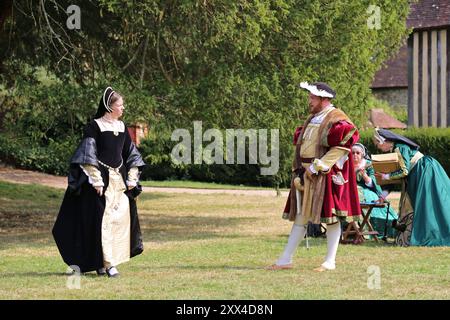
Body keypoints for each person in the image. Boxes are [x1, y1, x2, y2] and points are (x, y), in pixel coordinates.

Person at [267, 82, 362, 272]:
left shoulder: (337, 118)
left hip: (324, 174)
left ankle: (330, 261)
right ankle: (285, 259)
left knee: (331, 217)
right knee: (301, 217)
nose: (309, 101)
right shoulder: (314, 117)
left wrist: (318, 166)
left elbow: (342, 147)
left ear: (323, 99)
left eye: (312, 98)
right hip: (305, 174)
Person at [52, 87, 146, 277]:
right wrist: (96, 180)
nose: (123, 108)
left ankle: (108, 262)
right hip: (98, 183)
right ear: (109, 107)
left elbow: (132, 154)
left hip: (118, 181)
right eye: (120, 105)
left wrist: (132, 176)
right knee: (101, 222)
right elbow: (88, 154)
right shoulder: (94, 127)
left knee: (118, 221)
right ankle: (107, 264)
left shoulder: (122, 127)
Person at [373, 128, 450, 246]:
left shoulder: (400, 147)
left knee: (429, 203)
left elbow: (404, 171)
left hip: (424, 171)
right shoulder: (394, 150)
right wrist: (383, 195)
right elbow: (397, 176)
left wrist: (386, 176)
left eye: (378, 143)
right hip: (419, 172)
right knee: (423, 204)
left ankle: (434, 233)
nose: (378, 147)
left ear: (384, 141)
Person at [351, 143, 398, 238]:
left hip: (367, 190)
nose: (355, 155)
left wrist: (364, 176)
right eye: (352, 153)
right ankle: (351, 228)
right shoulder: (347, 165)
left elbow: (373, 183)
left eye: (357, 153)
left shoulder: (368, 165)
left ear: (362, 154)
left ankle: (366, 229)